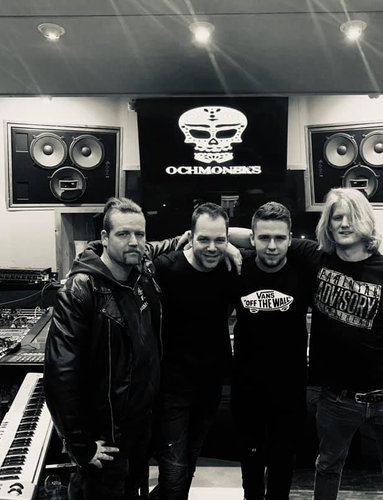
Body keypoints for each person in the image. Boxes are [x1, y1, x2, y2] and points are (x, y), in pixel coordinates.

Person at [289, 187, 383, 500]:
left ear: (366, 220)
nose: (343, 223)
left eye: (351, 216)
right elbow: (260, 236)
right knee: (327, 468)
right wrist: (202, 238)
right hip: (336, 399)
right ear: (328, 224)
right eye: (336, 217)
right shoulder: (315, 258)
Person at [44, 197, 182, 500]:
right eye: (123, 234)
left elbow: (169, 244)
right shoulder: (80, 289)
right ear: (105, 238)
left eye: (140, 234)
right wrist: (80, 446)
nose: (134, 241)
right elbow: (60, 374)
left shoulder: (142, 272)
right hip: (105, 439)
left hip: (140, 430)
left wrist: (220, 242)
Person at [150, 202, 236, 500]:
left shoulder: (228, 268)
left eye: (220, 239)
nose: (212, 247)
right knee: (174, 474)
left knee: (187, 467)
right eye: (204, 239)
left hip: (209, 387)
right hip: (172, 388)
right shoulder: (166, 268)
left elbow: (258, 238)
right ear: (190, 236)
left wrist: (231, 247)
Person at [231, 202, 314, 500]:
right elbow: (213, 235)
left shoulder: (305, 271)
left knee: (283, 462)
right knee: (250, 463)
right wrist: (226, 244)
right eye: (264, 237)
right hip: (247, 385)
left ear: (291, 239)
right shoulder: (237, 267)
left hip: (290, 386)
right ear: (252, 238)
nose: (272, 246)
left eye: (280, 238)